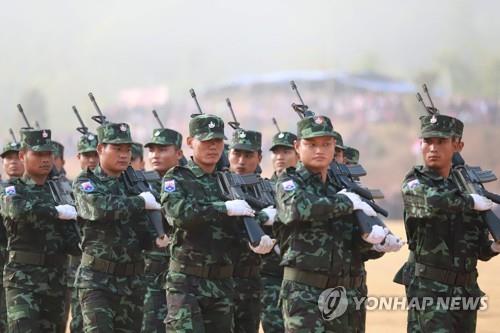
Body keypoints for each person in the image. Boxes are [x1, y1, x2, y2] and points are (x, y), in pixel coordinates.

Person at [274, 115, 389, 332]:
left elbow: (350, 246)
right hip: (304, 294)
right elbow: (297, 208)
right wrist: (346, 202)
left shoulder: (340, 187)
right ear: (297, 146)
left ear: (334, 146)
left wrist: (372, 242)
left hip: (342, 295)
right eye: (311, 144)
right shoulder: (289, 183)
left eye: (326, 144)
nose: (319, 150)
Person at [397, 113, 499, 332]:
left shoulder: (469, 187)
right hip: (430, 292)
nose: (433, 147)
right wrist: (470, 201)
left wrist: (492, 246)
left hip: (465, 291)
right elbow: (433, 201)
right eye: (428, 141)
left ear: (458, 145)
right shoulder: (415, 182)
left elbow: (478, 247)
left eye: (441, 141)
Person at [161, 114, 254, 332]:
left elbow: (241, 222)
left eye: (218, 141)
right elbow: (178, 214)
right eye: (206, 141)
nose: (213, 147)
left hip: (222, 282)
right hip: (187, 283)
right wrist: (223, 208)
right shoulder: (177, 178)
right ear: (190, 142)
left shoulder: (229, 180)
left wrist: (258, 233)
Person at [73, 122, 166, 332]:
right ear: (100, 149)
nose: (124, 155)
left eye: (127, 149)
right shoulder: (87, 181)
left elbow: (143, 228)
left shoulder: (135, 184)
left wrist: (156, 237)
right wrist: (140, 202)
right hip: (97, 280)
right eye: (117, 149)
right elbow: (99, 208)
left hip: (132, 281)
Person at [1, 129, 80, 332]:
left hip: (57, 281)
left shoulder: (61, 192)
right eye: (38, 154)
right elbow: (16, 210)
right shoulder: (13, 189)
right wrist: (54, 212)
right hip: (23, 280)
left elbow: (74, 241)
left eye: (48, 154)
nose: (45, 160)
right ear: (22, 155)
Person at [227, 128, 275, 333]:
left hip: (252, 282)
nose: (241, 161)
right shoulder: (219, 184)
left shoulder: (267, 189)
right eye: (236, 154)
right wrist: (262, 217)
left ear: (259, 157)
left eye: (248, 155)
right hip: (219, 281)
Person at [141, 127, 183, 333]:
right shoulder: (138, 183)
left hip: (185, 275)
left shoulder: (188, 181)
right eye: (152, 150)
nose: (155, 155)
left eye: (162, 149)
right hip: (151, 274)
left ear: (178, 153)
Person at [261, 130, 298, 333]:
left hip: (304, 275)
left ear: (298, 153)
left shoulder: (307, 188)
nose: (280, 157)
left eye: (286, 151)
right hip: (271, 275)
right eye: (276, 152)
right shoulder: (261, 187)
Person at [0, 139, 24, 332]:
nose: (13, 161)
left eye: (17, 157)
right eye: (8, 158)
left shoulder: (35, 190)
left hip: (23, 269)